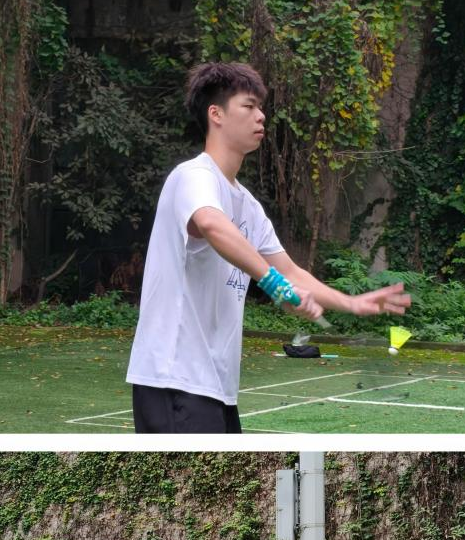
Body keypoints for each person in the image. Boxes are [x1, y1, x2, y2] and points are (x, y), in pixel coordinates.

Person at [126, 62, 411, 433]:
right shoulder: (192, 176)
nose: (261, 116)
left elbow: (291, 271)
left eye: (260, 107)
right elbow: (212, 224)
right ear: (216, 114)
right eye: (248, 106)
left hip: (215, 386)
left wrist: (351, 303)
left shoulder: (247, 204)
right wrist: (275, 285)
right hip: (173, 379)